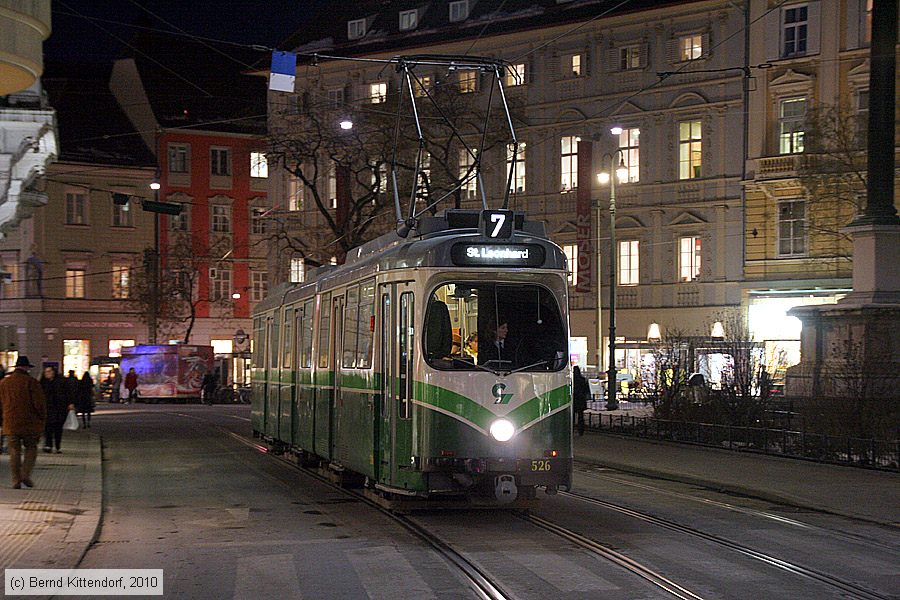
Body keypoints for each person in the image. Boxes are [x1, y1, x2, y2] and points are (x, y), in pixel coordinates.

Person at [0, 356, 46, 488]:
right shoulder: (32, 382)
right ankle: (25, 474)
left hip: (10, 422)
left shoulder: (3, 383)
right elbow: (39, 404)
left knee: (14, 450)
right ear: (26, 368)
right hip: (29, 423)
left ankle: (15, 479)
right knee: (31, 448)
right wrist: (42, 419)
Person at [40, 366, 69, 453]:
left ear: (53, 372)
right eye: (46, 372)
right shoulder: (43, 382)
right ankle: (48, 445)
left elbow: (67, 393)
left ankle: (57, 446)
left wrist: (69, 403)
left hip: (59, 408)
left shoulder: (61, 381)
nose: (47, 373)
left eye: (49, 371)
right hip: (47, 408)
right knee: (48, 428)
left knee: (58, 428)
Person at [572, 366, 590, 436]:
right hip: (581, 400)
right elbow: (586, 390)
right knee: (581, 416)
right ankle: (581, 431)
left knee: (572, 417)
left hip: (573, 400)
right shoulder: (583, 379)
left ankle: (572, 430)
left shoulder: (572, 380)